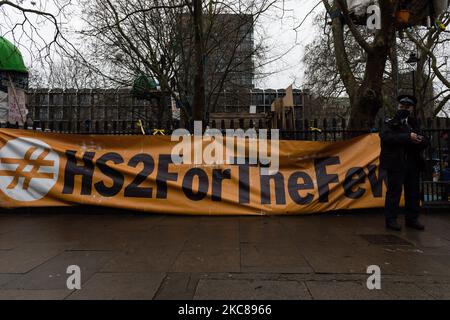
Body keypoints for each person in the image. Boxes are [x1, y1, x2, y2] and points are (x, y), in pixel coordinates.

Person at [379, 95, 429, 231]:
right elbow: (386, 137)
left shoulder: (414, 123)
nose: (405, 109)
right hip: (396, 163)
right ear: (398, 107)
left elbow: (425, 141)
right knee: (394, 192)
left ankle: (412, 219)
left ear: (412, 108)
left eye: (408, 107)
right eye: (402, 106)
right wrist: (407, 136)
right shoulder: (391, 122)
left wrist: (419, 140)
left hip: (412, 163)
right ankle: (391, 220)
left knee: (413, 193)